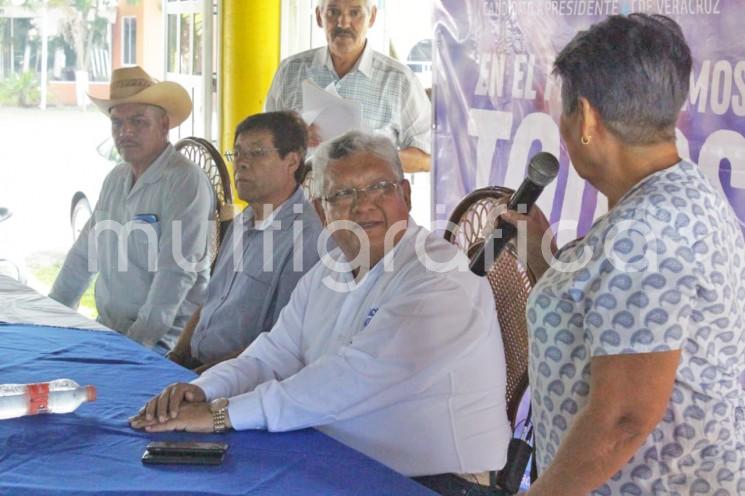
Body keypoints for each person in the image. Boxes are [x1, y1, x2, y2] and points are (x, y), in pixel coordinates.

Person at [130, 130, 512, 479]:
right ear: (320, 210)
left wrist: (221, 415)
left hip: (436, 482)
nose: (363, 206)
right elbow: (272, 354)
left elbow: (349, 379)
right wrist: (204, 389)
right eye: (343, 194)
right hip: (339, 459)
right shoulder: (330, 271)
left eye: (380, 188)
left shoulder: (440, 277)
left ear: (406, 196)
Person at [500, 14, 745, 495]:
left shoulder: (646, 232)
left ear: (587, 118)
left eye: (562, 116)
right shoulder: (672, 197)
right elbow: (615, 326)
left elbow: (623, 420)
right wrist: (542, 259)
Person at [50, 66, 214, 354]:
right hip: (109, 330)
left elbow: (175, 275)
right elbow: (83, 256)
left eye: (139, 121)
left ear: (164, 125)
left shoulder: (185, 180)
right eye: (117, 123)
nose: (125, 132)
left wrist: (136, 346)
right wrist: (51, 316)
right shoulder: (116, 178)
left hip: (164, 342)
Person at [168, 111, 324, 371]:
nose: (241, 163)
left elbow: (280, 344)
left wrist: (201, 380)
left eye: (257, 152)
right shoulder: (243, 220)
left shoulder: (307, 240)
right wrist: (175, 356)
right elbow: (210, 301)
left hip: (238, 385)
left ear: (292, 161)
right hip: (192, 368)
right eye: (237, 153)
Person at [265, 0, 432, 173]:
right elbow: (264, 144)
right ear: (318, 17)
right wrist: (292, 139)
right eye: (333, 12)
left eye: (354, 13)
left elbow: (427, 158)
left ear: (372, 17)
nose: (343, 23)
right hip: (303, 196)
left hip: (369, 198)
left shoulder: (399, 80)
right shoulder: (290, 71)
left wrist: (372, 157)